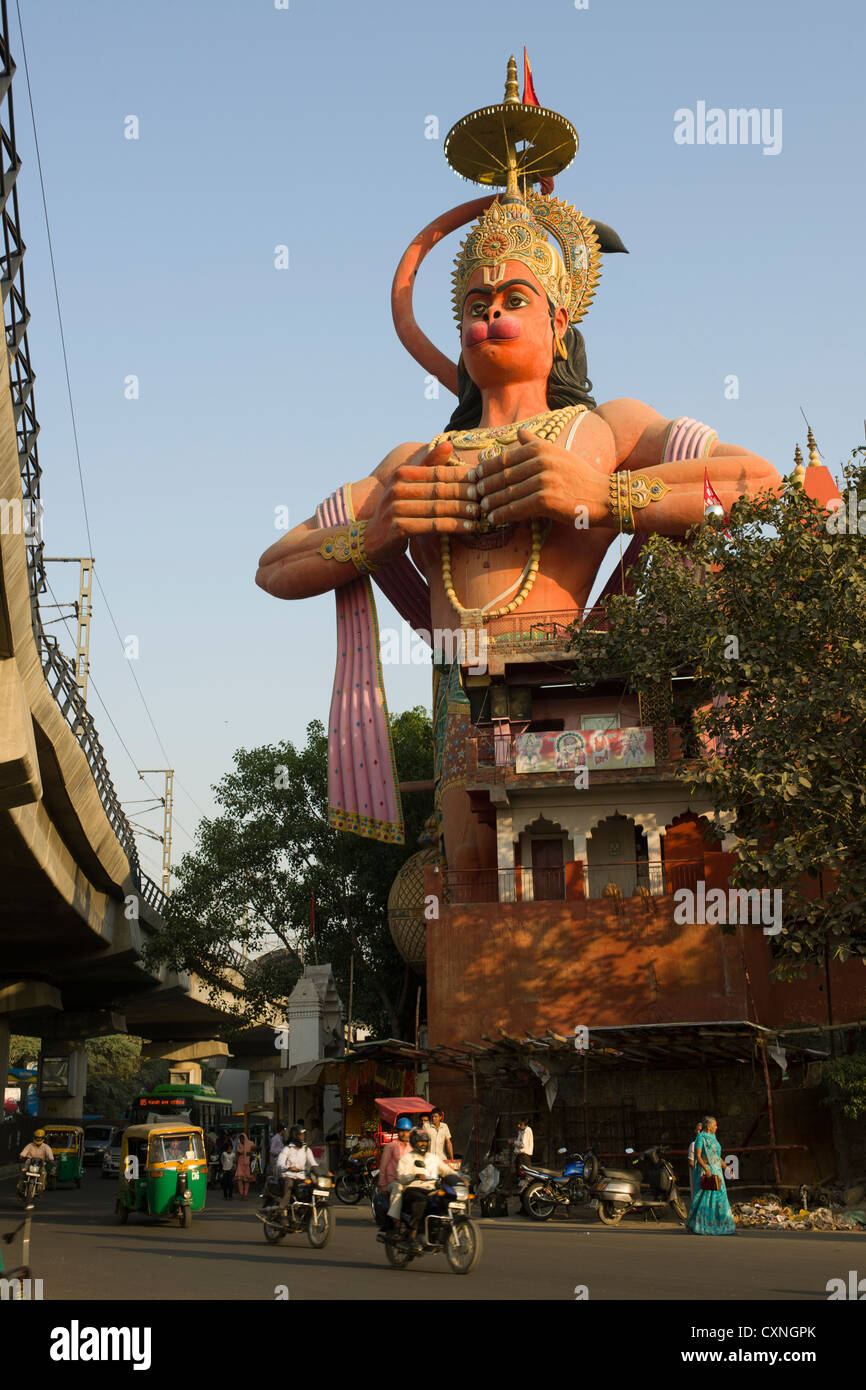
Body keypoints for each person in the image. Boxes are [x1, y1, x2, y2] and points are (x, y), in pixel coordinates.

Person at [395, 1128, 456, 1254]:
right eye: (420, 1141)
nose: (423, 1144)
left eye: (425, 1141)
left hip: (431, 1190)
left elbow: (446, 1170)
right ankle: (413, 1234)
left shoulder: (433, 1158)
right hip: (412, 1189)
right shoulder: (407, 1158)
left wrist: (460, 1178)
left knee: (445, 1200)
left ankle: (440, 1234)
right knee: (421, 1201)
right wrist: (415, 1176)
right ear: (414, 1142)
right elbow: (401, 1177)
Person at [685, 1116, 736, 1236]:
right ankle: (700, 1225)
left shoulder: (714, 1139)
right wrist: (706, 1169)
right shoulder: (700, 1137)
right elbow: (697, 1156)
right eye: (715, 1125)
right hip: (707, 1172)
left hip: (717, 1172)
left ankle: (723, 1225)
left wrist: (727, 1168)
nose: (716, 1127)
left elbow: (717, 1157)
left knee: (721, 1199)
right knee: (704, 1199)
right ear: (709, 1126)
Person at [275, 1124, 319, 1209]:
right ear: (295, 1136)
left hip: (302, 1177)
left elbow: (313, 1163)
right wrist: (289, 1167)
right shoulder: (287, 1149)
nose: (302, 1137)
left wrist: (324, 1171)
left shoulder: (306, 1149)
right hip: (289, 1176)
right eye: (300, 1135)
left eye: (303, 1135)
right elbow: (279, 1164)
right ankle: (282, 1210)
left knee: (311, 1189)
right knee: (289, 1184)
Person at [235, 1131, 256, 1199]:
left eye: (242, 1139)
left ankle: (245, 1193)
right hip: (240, 1163)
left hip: (247, 1164)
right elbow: (238, 1153)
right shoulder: (239, 1145)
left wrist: (250, 1153)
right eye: (240, 1139)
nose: (241, 1140)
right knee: (240, 1179)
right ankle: (241, 1193)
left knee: (247, 1179)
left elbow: (255, 1148)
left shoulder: (250, 1143)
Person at [687, 1121, 704, 1200]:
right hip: (698, 1175)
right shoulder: (694, 1144)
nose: (698, 1132)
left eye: (700, 1130)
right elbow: (691, 1162)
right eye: (697, 1130)